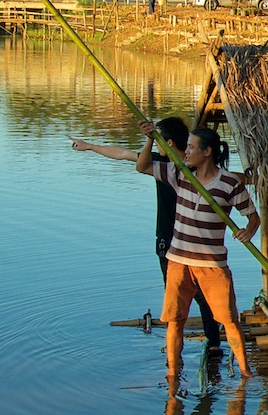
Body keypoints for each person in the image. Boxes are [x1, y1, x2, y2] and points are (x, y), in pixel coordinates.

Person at [71, 119, 223, 354]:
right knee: (181, 296)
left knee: (199, 295)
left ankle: (212, 343)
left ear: (168, 142)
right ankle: (188, 345)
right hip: (171, 240)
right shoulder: (162, 164)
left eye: (159, 139)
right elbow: (123, 154)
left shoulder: (187, 167)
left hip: (188, 239)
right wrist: (90, 146)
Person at [136, 121, 260, 380]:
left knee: (228, 319)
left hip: (212, 263)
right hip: (178, 260)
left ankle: (246, 372)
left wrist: (249, 231)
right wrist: (150, 139)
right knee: (175, 319)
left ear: (207, 152)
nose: (186, 152)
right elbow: (143, 166)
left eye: (191, 147)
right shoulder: (180, 174)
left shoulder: (230, 183)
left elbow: (252, 216)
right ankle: (173, 371)